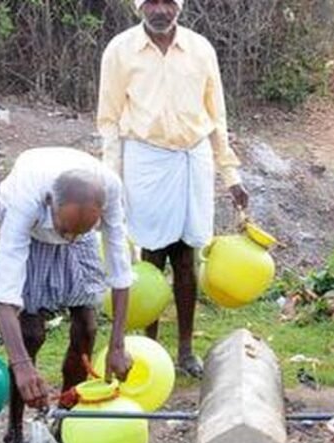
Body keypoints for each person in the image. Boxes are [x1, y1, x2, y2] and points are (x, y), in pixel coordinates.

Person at [97, 0, 249, 378]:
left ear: (179, 6)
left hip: (193, 158)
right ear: (139, 6)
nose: (160, 10)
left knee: (186, 257)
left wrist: (230, 174)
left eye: (168, 2)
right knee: (151, 256)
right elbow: (109, 120)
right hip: (146, 160)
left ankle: (184, 350)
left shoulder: (200, 49)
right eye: (151, 2)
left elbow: (217, 116)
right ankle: (149, 349)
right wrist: (111, 179)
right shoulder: (120, 50)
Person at [0, 147, 135, 443]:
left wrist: (118, 345)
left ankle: (68, 423)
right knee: (31, 333)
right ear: (50, 204)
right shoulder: (25, 200)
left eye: (82, 230)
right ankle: (14, 434)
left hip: (76, 226)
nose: (68, 239)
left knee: (87, 327)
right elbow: (4, 294)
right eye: (65, 228)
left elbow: (120, 267)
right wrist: (22, 365)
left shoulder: (107, 194)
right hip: (33, 235)